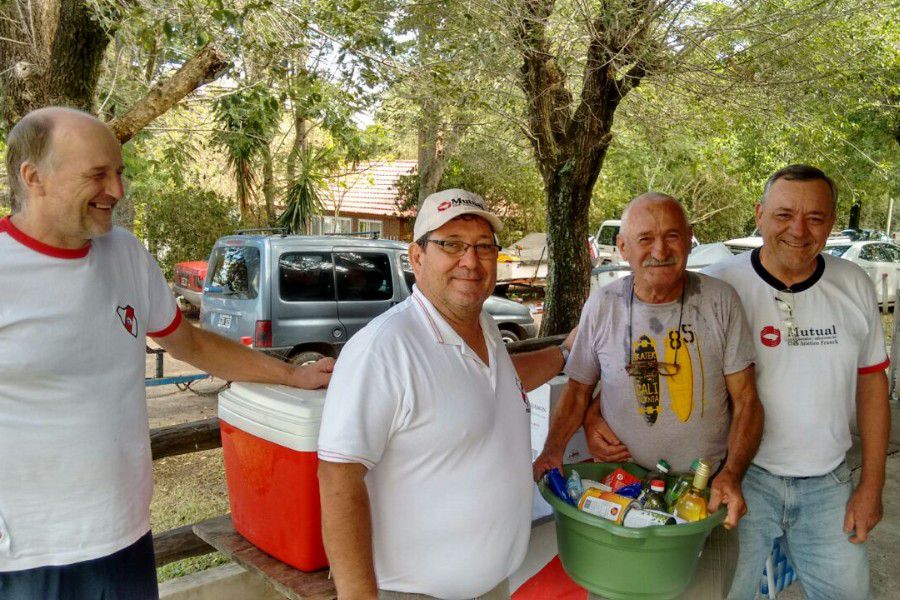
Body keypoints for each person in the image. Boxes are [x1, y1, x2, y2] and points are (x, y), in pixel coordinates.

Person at [0, 107, 334, 598]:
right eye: (98, 174)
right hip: (27, 555)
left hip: (124, 536)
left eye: (119, 173)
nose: (116, 190)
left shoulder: (125, 253)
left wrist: (292, 376)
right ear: (34, 178)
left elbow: (191, 343)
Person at [317, 188, 573, 600]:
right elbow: (337, 480)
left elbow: (500, 382)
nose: (470, 261)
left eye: (483, 247)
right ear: (416, 257)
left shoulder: (484, 327)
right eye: (451, 244)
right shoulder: (383, 348)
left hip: (493, 583)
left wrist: (565, 353)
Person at [705, 165, 890, 600]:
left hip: (829, 486)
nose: (799, 230)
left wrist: (872, 486)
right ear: (760, 214)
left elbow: (872, 387)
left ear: (832, 223)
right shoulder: (718, 284)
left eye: (816, 218)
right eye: (784, 215)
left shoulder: (853, 284)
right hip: (740, 479)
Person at [533, 193, 763, 532]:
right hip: (621, 489)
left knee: (704, 584)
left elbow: (746, 402)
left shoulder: (719, 301)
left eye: (672, 236)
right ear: (623, 248)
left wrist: (732, 474)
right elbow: (578, 391)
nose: (660, 251)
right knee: (620, 581)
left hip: (702, 492)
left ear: (688, 239)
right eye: (645, 239)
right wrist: (552, 452)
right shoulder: (603, 304)